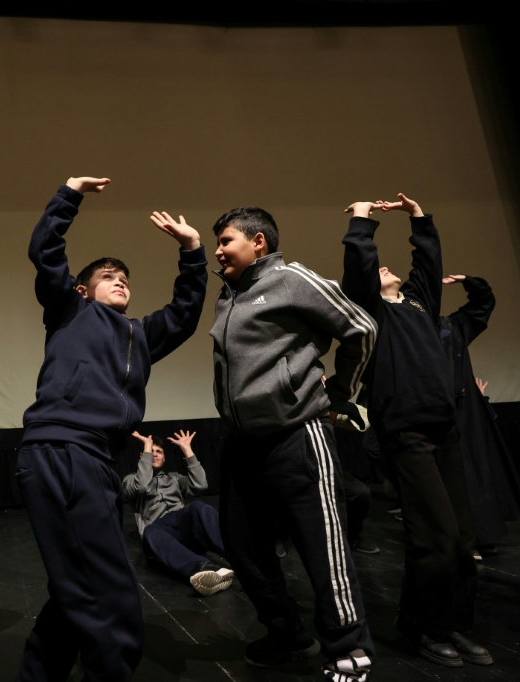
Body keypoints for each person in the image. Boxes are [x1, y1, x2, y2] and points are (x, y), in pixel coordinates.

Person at [16, 176, 207, 681]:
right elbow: (45, 250)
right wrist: (69, 194)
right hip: (61, 447)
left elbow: (185, 314)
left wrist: (192, 251)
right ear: (83, 289)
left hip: (97, 457)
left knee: (75, 588)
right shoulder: (69, 310)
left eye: (125, 277)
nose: (121, 281)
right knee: (112, 592)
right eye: (108, 276)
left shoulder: (140, 335)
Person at [209, 206, 376, 681]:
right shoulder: (229, 295)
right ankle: (287, 634)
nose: (218, 251)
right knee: (243, 547)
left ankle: (349, 649)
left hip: (297, 433)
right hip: (243, 441)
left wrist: (341, 393)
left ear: (258, 241)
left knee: (323, 544)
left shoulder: (292, 278)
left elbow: (362, 329)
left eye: (226, 240)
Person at [342, 193, 491, 668]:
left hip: (443, 428)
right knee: (435, 535)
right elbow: (359, 269)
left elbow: (428, 263)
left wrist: (418, 216)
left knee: (462, 538)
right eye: (379, 269)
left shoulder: (419, 304)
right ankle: (430, 628)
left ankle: (456, 624)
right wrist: (362, 219)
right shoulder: (372, 313)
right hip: (406, 433)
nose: (385, 269)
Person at [438, 276, 520, 555]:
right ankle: (461, 540)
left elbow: (482, 304)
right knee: (448, 478)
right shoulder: (403, 327)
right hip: (431, 413)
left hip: (465, 410)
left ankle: (483, 534)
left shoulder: (449, 327)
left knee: (476, 472)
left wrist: (471, 282)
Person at [123, 430, 233, 596]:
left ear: (164, 458)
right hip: (160, 533)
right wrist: (147, 449)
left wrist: (188, 451)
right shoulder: (131, 480)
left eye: (159, 452)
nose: (154, 454)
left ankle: (239, 555)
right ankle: (203, 569)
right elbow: (142, 487)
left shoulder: (173, 478)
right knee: (150, 531)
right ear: (142, 456)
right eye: (151, 451)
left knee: (197, 507)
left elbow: (200, 485)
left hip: (181, 525)